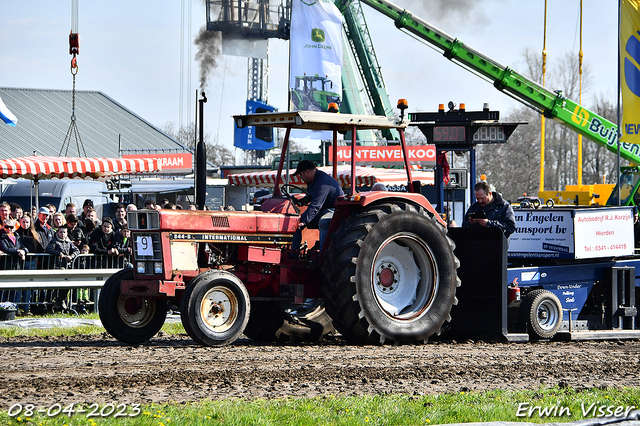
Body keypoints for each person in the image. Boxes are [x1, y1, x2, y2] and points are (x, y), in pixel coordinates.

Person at [290, 160, 344, 255]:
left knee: (323, 221)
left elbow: (316, 205)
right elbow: (312, 196)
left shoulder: (322, 182)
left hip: (335, 209)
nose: (301, 178)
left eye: (301, 175)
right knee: (295, 222)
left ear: (307, 172)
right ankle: (294, 252)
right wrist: (301, 201)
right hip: (323, 208)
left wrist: (304, 221)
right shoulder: (312, 181)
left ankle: (322, 254)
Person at [45, 225, 80, 310]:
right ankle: (50, 305)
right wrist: (58, 253)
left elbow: (77, 250)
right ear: (57, 232)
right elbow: (48, 249)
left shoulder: (68, 242)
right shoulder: (54, 241)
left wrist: (71, 256)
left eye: (64, 232)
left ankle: (60, 301)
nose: (62, 234)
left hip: (65, 267)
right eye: (61, 232)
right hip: (55, 266)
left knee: (66, 286)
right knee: (53, 288)